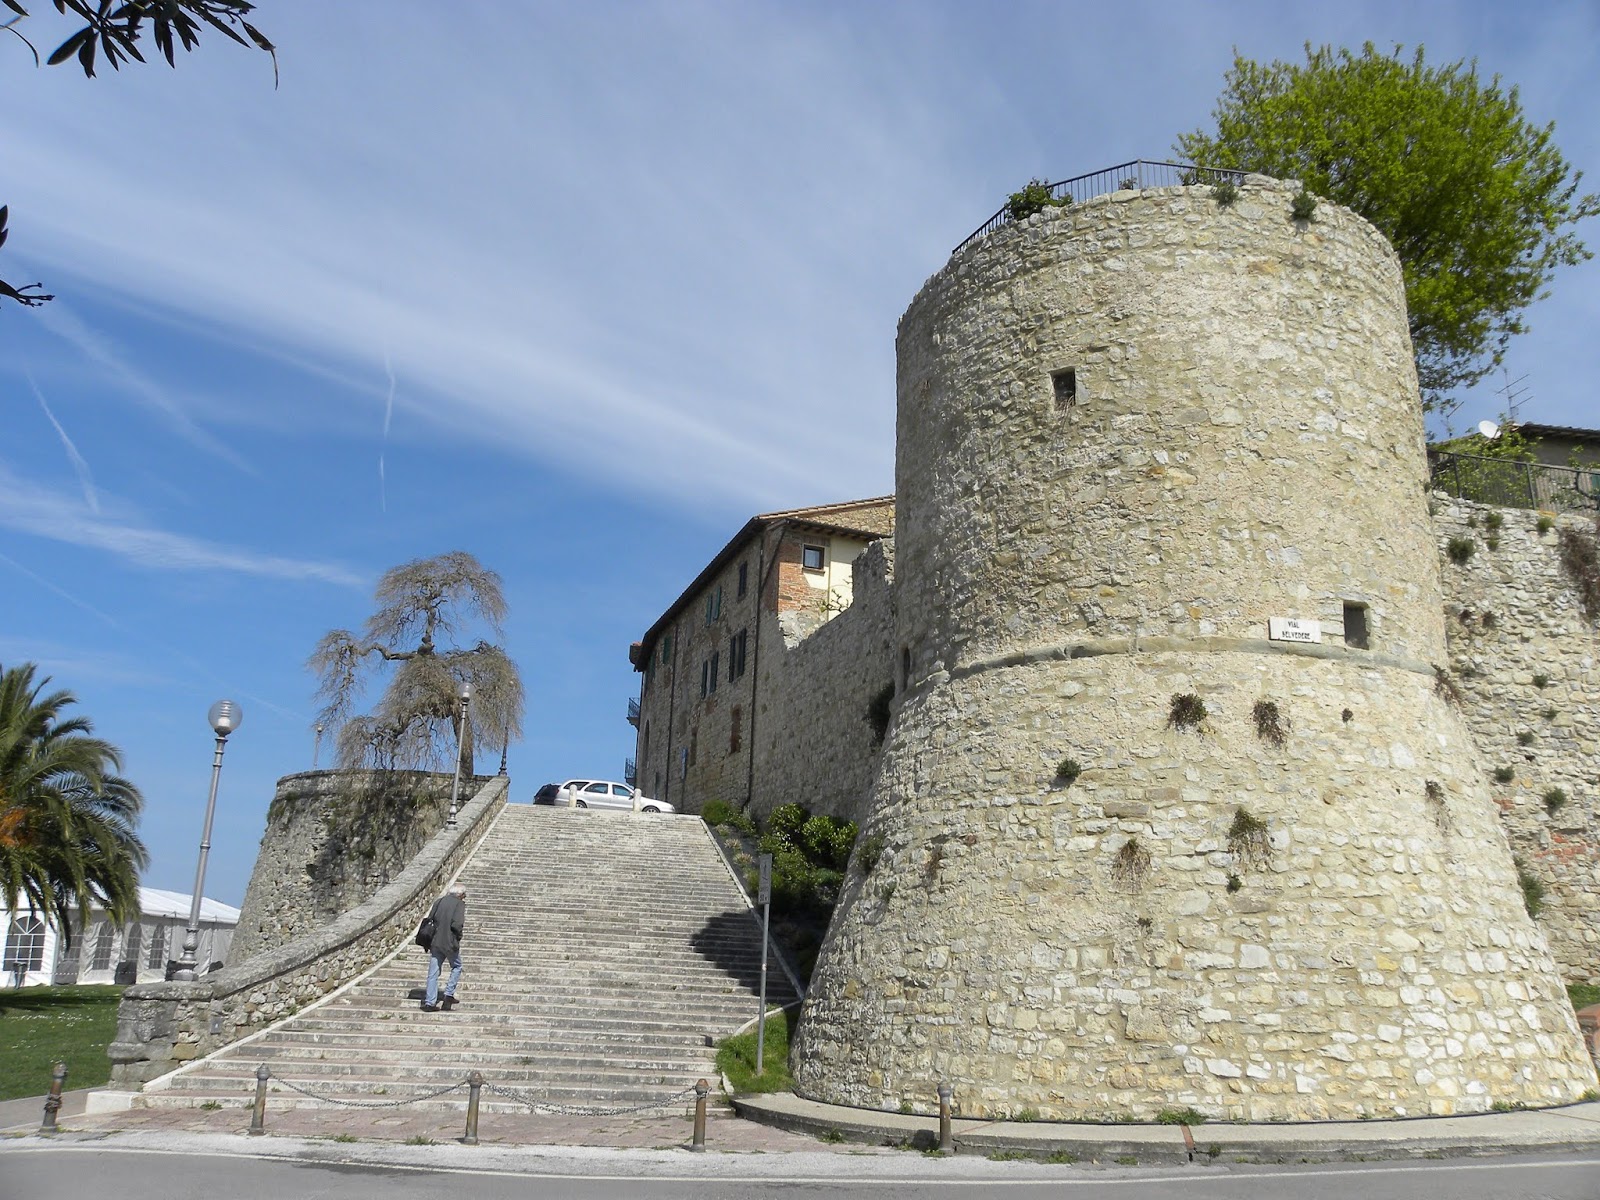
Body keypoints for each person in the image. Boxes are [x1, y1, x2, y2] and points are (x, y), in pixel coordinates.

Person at [421, 882, 466, 1012]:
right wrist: (458, 936)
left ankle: (429, 1002)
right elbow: (457, 924)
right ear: (460, 894)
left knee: (433, 972)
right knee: (457, 966)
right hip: (450, 943)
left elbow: (430, 918)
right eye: (464, 895)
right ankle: (448, 995)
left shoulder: (439, 902)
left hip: (435, 941)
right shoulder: (459, 904)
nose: (464, 897)